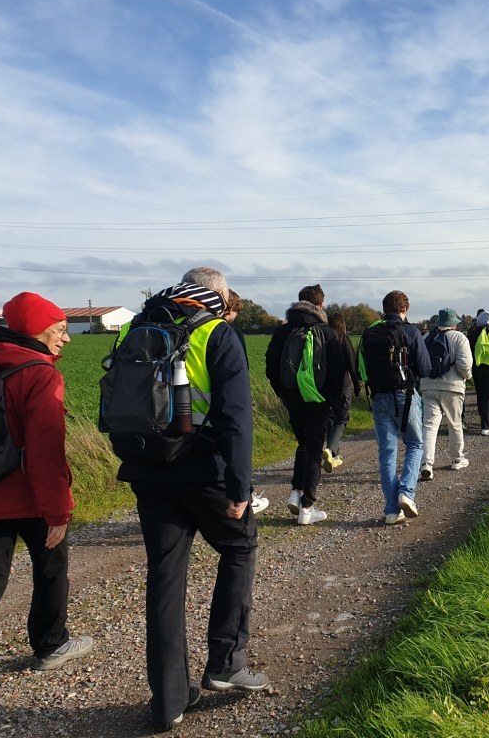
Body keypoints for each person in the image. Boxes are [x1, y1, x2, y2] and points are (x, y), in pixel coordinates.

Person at [115, 267, 268, 732]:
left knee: (164, 577)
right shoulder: (214, 332)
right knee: (239, 547)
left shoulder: (136, 325)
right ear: (217, 296)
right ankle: (226, 661)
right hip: (203, 470)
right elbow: (237, 418)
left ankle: (169, 700)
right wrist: (241, 488)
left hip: (147, 469)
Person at [0, 293, 94, 672]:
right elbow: (44, 452)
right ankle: (51, 645)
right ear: (38, 330)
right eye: (61, 330)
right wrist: (58, 510)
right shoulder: (40, 374)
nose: (66, 339)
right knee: (51, 569)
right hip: (32, 500)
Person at [265, 284, 345, 525]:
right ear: (320, 305)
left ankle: (296, 492)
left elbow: (270, 366)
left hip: (292, 397)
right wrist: (330, 400)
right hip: (318, 401)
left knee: (303, 444)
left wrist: (283, 393)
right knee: (313, 451)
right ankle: (307, 508)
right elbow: (338, 373)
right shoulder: (328, 332)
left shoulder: (283, 331)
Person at [358, 291, 430, 525]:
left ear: (384, 308)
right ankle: (406, 493)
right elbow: (425, 368)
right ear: (404, 309)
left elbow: (361, 369)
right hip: (405, 394)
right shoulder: (410, 331)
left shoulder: (369, 332)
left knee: (387, 454)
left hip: (378, 396)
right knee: (415, 444)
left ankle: (391, 510)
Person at [222, 290, 268, 515]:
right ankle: (245, 495)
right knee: (236, 447)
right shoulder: (230, 333)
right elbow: (241, 369)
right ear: (229, 309)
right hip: (228, 399)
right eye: (236, 312)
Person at [419, 308, 473, 480]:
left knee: (429, 425)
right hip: (453, 386)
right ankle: (457, 459)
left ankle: (426, 464)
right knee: (454, 423)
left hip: (428, 386)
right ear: (453, 324)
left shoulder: (426, 337)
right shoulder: (459, 338)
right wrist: (467, 377)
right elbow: (464, 365)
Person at [323, 311, 361, 473]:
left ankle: (333, 456)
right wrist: (358, 386)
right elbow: (352, 365)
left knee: (330, 420)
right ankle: (330, 449)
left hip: (324, 388)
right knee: (341, 419)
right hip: (342, 386)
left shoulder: (323, 341)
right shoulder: (344, 340)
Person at [467, 310, 489, 436]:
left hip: (477, 367)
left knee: (480, 393)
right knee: (488, 396)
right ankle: (486, 426)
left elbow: (468, 352)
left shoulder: (473, 333)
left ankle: (482, 415)